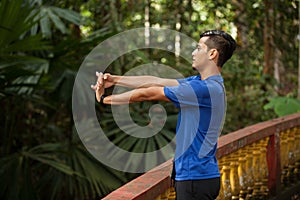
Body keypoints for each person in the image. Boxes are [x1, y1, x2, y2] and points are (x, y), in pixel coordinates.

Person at [91, 30, 236, 200]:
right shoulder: (202, 83)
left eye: (198, 48)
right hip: (199, 177)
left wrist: (104, 99)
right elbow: (155, 81)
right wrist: (114, 80)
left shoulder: (204, 89)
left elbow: (149, 94)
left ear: (212, 53)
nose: (193, 53)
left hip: (194, 179)